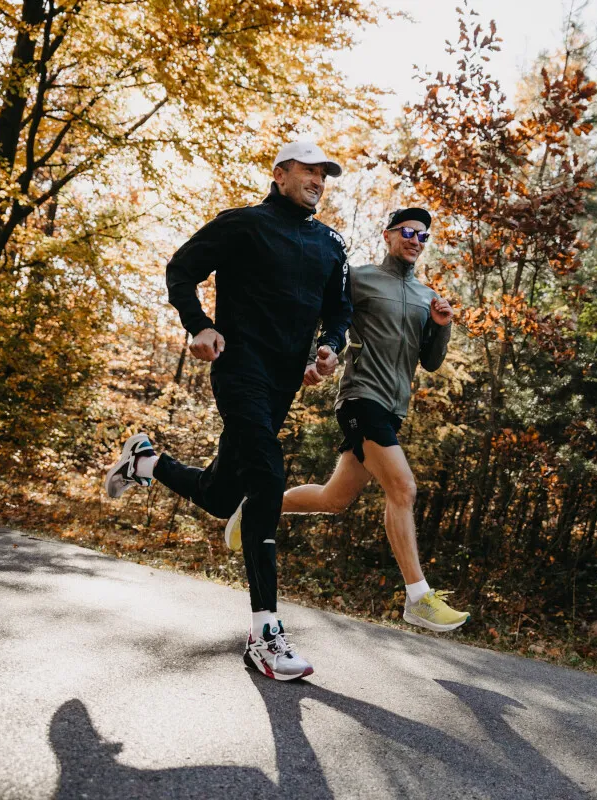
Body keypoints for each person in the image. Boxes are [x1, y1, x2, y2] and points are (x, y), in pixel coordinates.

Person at [103, 141, 351, 681]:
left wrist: (330, 346)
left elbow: (339, 309)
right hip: (240, 368)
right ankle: (265, 634)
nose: (318, 181)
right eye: (309, 171)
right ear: (280, 174)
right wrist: (199, 325)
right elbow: (181, 269)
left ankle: (144, 462)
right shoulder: (241, 224)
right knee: (268, 474)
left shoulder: (331, 243)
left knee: (220, 496)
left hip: (283, 382)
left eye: (324, 175)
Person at [227, 206, 469, 633]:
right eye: (408, 232)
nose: (416, 240)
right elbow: (323, 316)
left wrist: (441, 325)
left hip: (392, 410)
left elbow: (430, 362)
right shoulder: (359, 279)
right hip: (361, 399)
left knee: (333, 500)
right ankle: (418, 597)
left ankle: (256, 507)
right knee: (403, 487)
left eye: (424, 236)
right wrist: (313, 358)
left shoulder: (424, 296)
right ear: (388, 235)